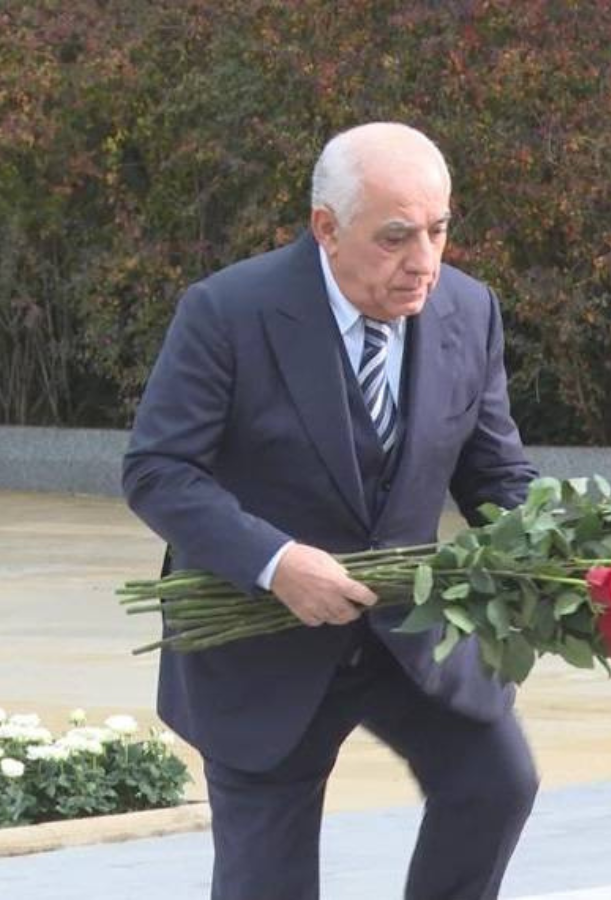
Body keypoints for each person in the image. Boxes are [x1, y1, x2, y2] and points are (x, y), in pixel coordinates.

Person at [122, 122, 539, 900]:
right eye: (395, 238)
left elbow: (494, 472)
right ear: (327, 228)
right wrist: (276, 563)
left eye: (439, 231)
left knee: (498, 784)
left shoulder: (468, 311)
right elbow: (158, 470)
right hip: (262, 641)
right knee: (267, 884)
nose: (425, 262)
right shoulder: (228, 311)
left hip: (409, 633)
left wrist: (566, 550)